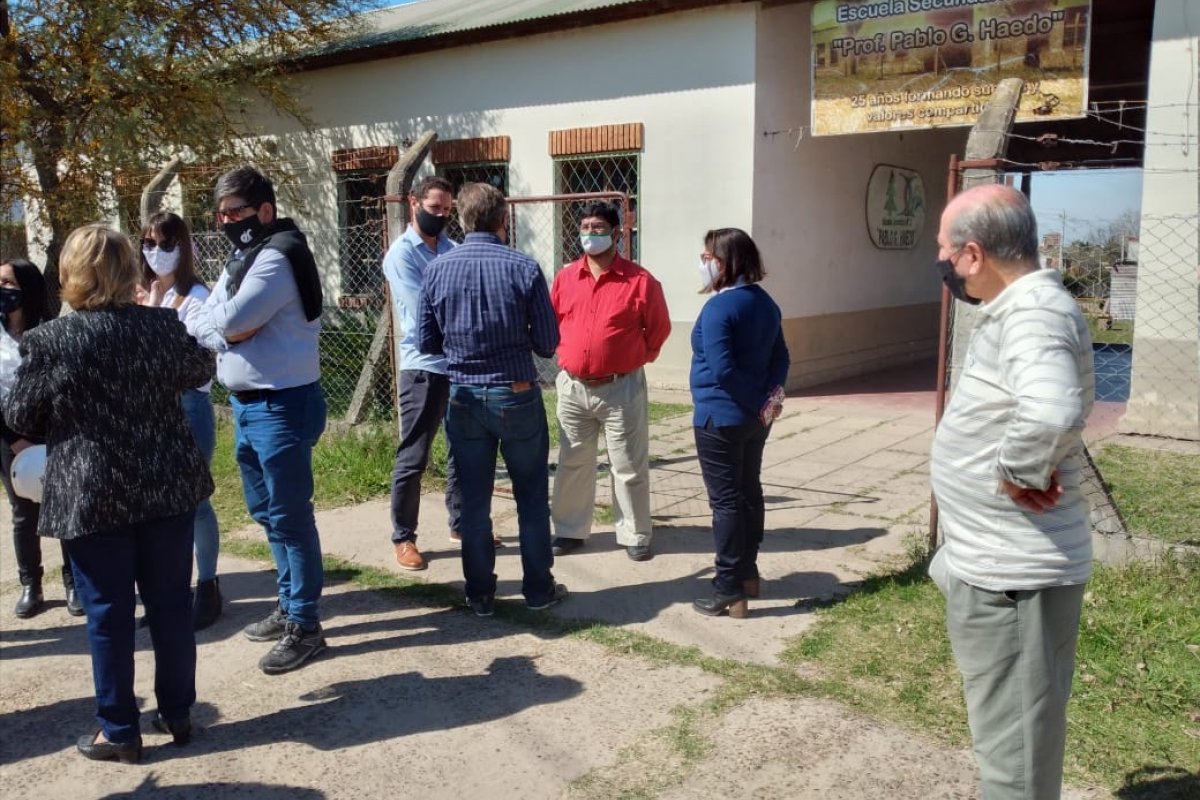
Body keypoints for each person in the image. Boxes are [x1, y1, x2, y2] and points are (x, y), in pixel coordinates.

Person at [3, 224, 214, 763]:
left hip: (91, 492)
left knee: (108, 612)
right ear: (128, 271)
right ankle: (177, 711)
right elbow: (201, 367)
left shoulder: (52, 340)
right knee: (170, 604)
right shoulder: (162, 326)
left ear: (71, 273)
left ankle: (119, 729)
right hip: (165, 485)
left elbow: (21, 414)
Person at [928, 184, 1095, 800]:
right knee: (1005, 735)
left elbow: (1051, 411)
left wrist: (1016, 472)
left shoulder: (1032, 314)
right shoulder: (1018, 309)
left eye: (944, 251)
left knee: (1015, 756)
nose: (941, 263)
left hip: (1015, 575)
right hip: (994, 562)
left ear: (973, 254)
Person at [187, 166, 328, 675]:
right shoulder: (243, 258)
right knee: (266, 512)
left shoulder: (276, 257)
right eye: (221, 214)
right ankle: (289, 605)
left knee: (290, 517)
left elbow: (226, 320)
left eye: (236, 212)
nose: (226, 222)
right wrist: (220, 327)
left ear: (265, 211)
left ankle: (305, 625)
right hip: (248, 405)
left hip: (281, 405)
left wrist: (219, 325)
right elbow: (202, 317)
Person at [418, 182, 566, 617]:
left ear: (460, 220)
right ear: (504, 219)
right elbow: (547, 343)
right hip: (515, 392)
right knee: (531, 498)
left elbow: (427, 341)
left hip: (464, 394)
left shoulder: (437, 269)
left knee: (474, 501)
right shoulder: (524, 267)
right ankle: (538, 589)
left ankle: (480, 593)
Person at [549, 201, 671, 561]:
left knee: (628, 464)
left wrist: (631, 358)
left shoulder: (640, 281)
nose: (590, 233)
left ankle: (635, 533)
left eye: (599, 227)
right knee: (572, 461)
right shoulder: (565, 278)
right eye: (585, 227)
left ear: (616, 233)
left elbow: (658, 330)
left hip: (621, 388)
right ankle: (569, 531)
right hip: (573, 387)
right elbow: (553, 321)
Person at [381, 176, 482, 572]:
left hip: (459, 366)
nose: (440, 216)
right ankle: (403, 536)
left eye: (447, 210)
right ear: (414, 203)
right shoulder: (401, 255)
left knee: (463, 450)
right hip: (423, 367)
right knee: (414, 455)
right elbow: (424, 309)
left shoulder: (453, 249)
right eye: (434, 208)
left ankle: (461, 524)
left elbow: (469, 300)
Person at [689, 228, 788, 619]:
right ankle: (747, 574)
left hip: (720, 416)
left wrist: (760, 402)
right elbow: (781, 358)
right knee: (748, 491)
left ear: (726, 261)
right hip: (754, 419)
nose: (703, 264)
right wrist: (768, 402)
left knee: (726, 501)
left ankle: (728, 585)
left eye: (708, 257)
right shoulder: (765, 303)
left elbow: (723, 369)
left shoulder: (719, 308)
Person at [137, 212, 223, 630]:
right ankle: (170, 591)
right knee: (157, 506)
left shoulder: (198, 296)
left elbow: (191, 361)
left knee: (195, 502)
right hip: (152, 409)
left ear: (183, 247)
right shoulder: (142, 293)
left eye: (166, 244)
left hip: (189, 405)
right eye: (149, 244)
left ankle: (208, 587)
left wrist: (153, 316)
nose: (156, 252)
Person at [1, 258, 82, 618]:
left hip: (53, 433)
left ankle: (74, 582)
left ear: (28, 288)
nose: (2, 290)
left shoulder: (51, 331)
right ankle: (30, 584)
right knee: (23, 513)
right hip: (9, 438)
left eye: (8, 283)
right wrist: (13, 438)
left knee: (64, 507)